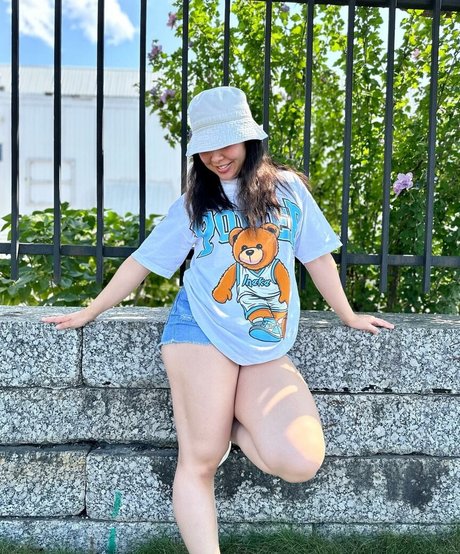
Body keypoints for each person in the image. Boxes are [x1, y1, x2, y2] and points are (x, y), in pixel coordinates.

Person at [43, 86, 394, 554]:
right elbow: (143, 261)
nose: (215, 157)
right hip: (199, 330)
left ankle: (217, 415)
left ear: (249, 139)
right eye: (205, 148)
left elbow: (317, 257)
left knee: (300, 459)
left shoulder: (288, 191)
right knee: (202, 459)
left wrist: (348, 315)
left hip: (264, 339)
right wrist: (91, 310)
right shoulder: (196, 202)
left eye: (225, 143)